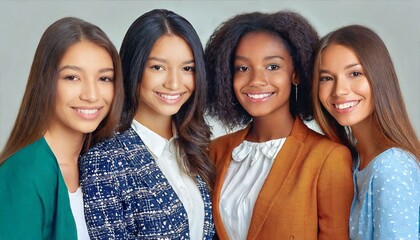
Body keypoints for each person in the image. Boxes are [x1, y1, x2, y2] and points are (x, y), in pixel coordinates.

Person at [205, 11, 354, 240]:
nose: (256, 80)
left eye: (272, 67)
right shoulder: (216, 151)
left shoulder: (328, 158)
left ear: (295, 74)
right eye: (242, 68)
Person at [79, 9, 215, 239]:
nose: (174, 83)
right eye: (157, 67)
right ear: (134, 68)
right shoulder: (104, 161)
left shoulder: (195, 147)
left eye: (187, 68)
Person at [0, 17, 123, 240]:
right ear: (45, 81)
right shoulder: (24, 173)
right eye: (72, 77)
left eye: (104, 78)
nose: (91, 95)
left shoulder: (97, 163)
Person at [312, 24, 420, 240]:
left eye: (355, 73)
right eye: (326, 78)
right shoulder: (351, 161)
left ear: (380, 79)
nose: (339, 90)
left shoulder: (391, 167)